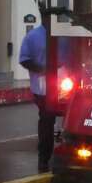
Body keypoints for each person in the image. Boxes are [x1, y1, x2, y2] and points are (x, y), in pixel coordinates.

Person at [19, 24, 55, 172]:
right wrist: (42, 69)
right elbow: (24, 59)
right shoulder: (33, 36)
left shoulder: (67, 32)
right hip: (43, 89)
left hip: (66, 85)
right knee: (47, 122)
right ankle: (43, 159)